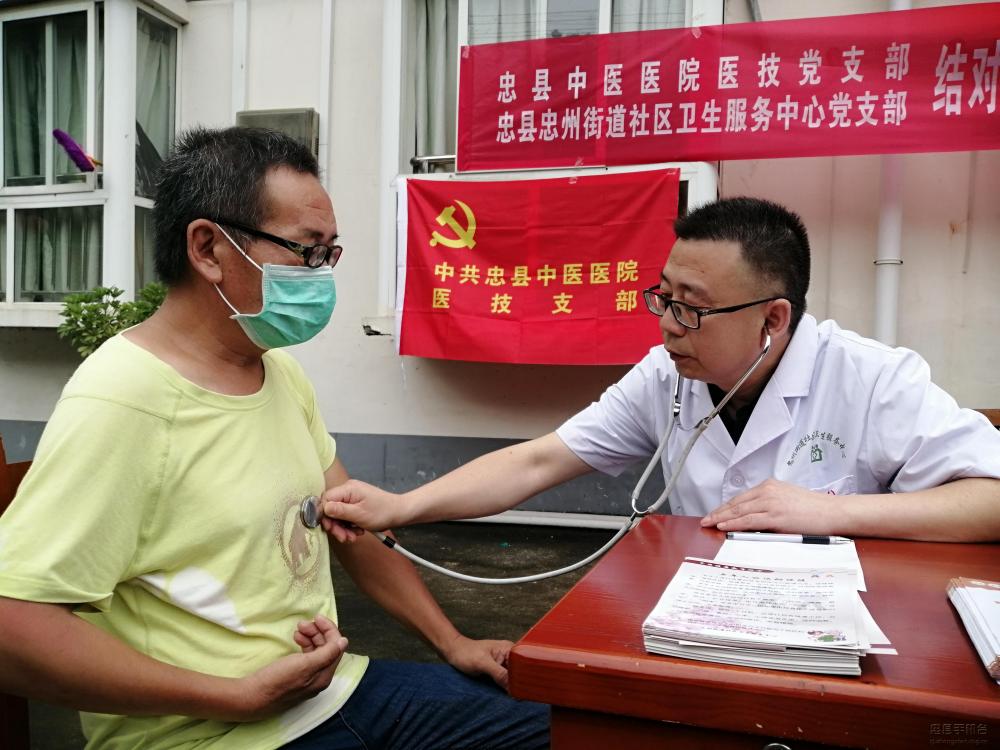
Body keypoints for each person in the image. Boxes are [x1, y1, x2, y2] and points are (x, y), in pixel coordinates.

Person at [0, 127, 547, 750]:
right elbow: (14, 626)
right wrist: (235, 695)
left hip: (333, 692)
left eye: (329, 255)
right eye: (307, 252)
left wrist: (453, 642)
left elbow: (353, 528)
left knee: (570, 724)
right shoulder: (124, 399)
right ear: (208, 248)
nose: (321, 277)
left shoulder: (276, 370)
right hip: (210, 733)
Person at [323, 197, 1000, 544]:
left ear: (773, 319)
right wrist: (402, 506)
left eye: (692, 308)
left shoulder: (872, 379)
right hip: (703, 609)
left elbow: (990, 499)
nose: (668, 324)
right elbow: (537, 462)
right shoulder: (665, 376)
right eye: (663, 297)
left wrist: (832, 512)